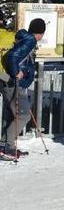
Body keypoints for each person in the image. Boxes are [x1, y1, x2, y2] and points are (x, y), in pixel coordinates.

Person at [1, 18, 46, 159]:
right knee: (24, 115)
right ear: (41, 33)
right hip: (13, 82)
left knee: (11, 114)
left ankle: (6, 146)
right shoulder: (30, 40)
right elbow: (12, 56)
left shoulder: (22, 38)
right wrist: (16, 72)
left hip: (6, 80)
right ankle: (6, 147)